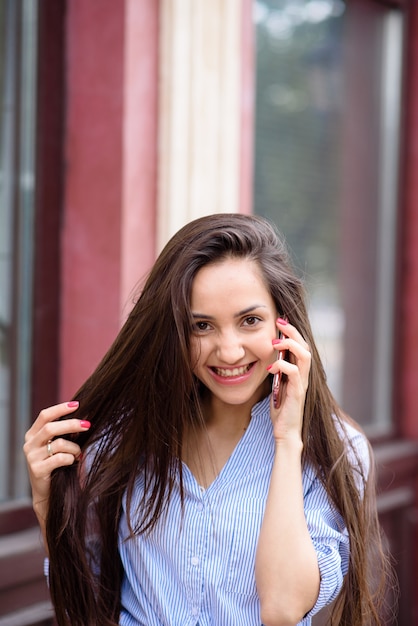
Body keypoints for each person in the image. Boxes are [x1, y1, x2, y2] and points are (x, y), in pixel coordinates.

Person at [24, 214, 392, 626]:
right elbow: (86, 604)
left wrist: (287, 441)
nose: (229, 351)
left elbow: (284, 608)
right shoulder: (126, 437)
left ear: (283, 323)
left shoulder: (335, 450)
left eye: (249, 320)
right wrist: (48, 505)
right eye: (202, 326)